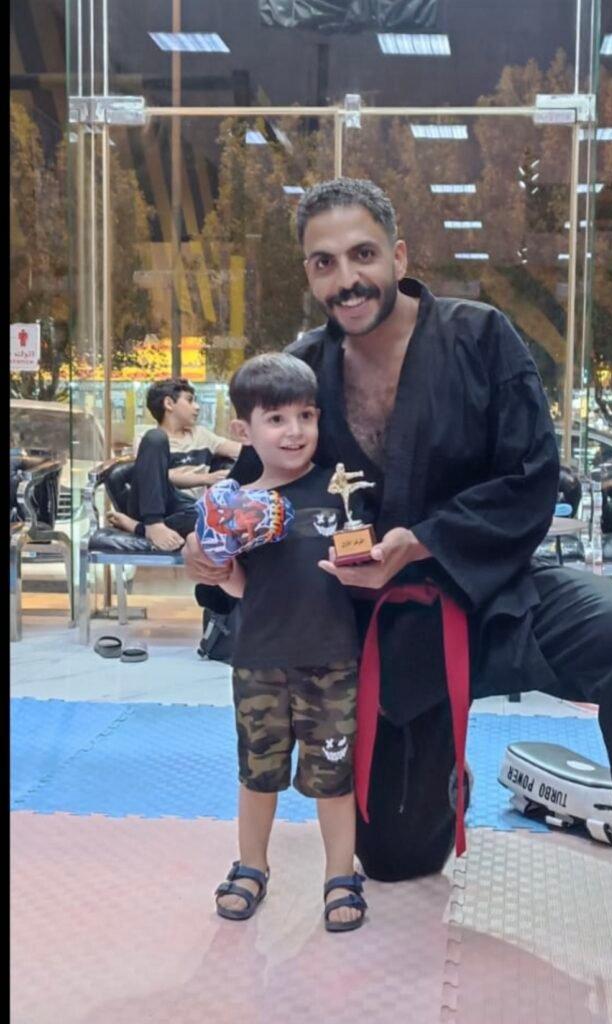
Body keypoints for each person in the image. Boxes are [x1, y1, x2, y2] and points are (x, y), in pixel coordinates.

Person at [184, 179, 612, 1006]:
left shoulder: (480, 337)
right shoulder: (304, 368)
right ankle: (443, 761)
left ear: (398, 255)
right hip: (379, 631)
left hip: (495, 591)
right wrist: (214, 553)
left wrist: (426, 539)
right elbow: (262, 499)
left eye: (363, 254)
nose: (346, 279)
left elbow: (533, 475)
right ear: (310, 274)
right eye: (325, 263)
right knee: (396, 861)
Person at [208, 352, 367, 931]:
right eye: (275, 419)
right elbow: (240, 588)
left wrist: (366, 562)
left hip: (332, 660)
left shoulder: (340, 489)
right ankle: (252, 866)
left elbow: (366, 563)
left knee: (334, 778)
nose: (294, 430)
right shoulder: (235, 503)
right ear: (243, 430)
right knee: (258, 773)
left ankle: (340, 875)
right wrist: (220, 565)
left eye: (305, 415)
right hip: (259, 660)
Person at [108, 378, 241, 550]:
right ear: (169, 404)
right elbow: (156, 478)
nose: (197, 407)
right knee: (156, 437)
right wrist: (206, 478)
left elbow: (241, 450)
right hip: (152, 504)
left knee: (219, 515)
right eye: (190, 400)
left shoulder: (202, 435)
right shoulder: (147, 440)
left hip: (188, 509)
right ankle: (153, 524)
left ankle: (139, 528)